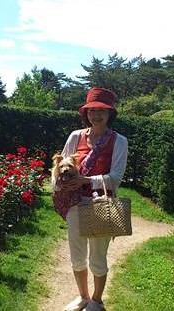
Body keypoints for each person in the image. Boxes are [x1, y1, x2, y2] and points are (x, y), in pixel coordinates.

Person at [52, 87, 128, 311]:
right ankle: (83, 296)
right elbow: (61, 165)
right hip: (74, 203)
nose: (96, 115)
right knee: (77, 255)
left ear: (110, 114)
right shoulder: (76, 136)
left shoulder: (119, 141)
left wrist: (86, 180)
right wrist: (59, 185)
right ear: (86, 113)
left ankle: (96, 300)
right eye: (92, 110)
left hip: (100, 204)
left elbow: (115, 179)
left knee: (97, 256)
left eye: (102, 111)